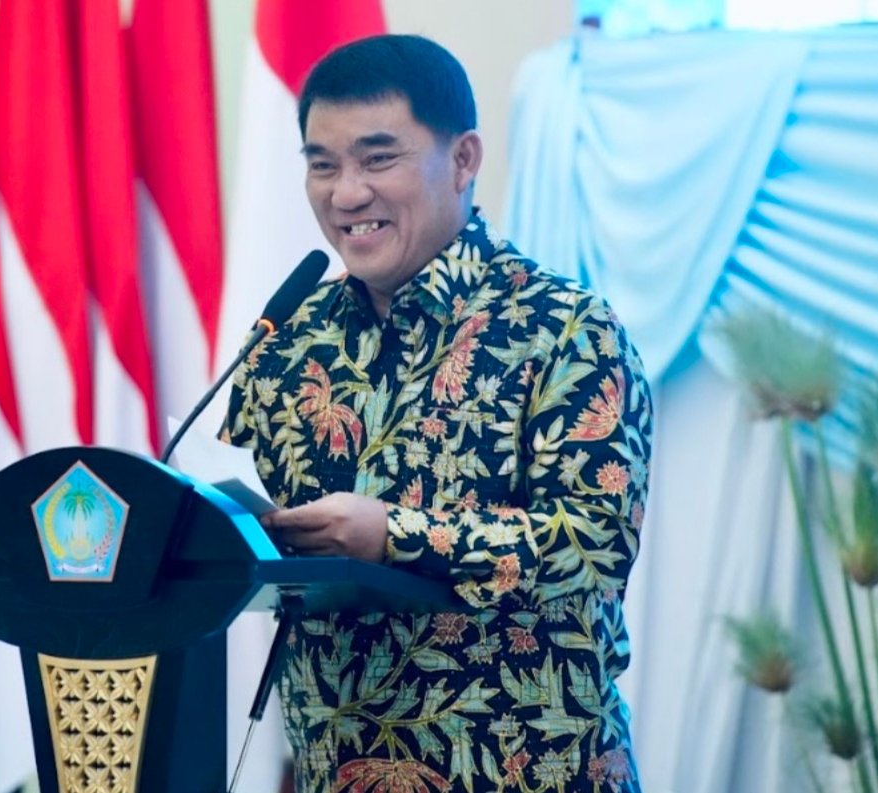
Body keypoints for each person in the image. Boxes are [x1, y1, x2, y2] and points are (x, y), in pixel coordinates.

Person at [222, 34, 653, 793]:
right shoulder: (287, 344)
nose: (346, 194)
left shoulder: (565, 329)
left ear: (463, 159)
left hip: (526, 773)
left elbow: (595, 545)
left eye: (377, 159)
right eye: (322, 165)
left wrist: (396, 535)